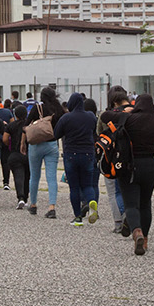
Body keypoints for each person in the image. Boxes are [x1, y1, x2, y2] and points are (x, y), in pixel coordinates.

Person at [117, 94, 154, 255]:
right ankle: (145, 239)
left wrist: (125, 113)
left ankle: (136, 231)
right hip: (151, 165)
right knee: (145, 203)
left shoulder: (130, 119)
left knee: (131, 204)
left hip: (130, 165)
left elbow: (107, 117)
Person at [54, 92, 99, 226]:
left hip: (71, 155)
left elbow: (56, 134)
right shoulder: (91, 117)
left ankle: (78, 217)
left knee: (74, 187)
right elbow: (93, 131)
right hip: (88, 154)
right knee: (88, 184)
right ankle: (92, 202)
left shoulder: (66, 118)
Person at [25, 87, 64, 217]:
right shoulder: (58, 109)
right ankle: (52, 206)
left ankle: (33, 204)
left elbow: (25, 125)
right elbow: (62, 128)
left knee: (34, 176)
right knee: (51, 177)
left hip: (36, 145)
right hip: (52, 144)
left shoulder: (38, 108)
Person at [100, 86, 132, 232]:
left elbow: (98, 134)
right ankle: (131, 217)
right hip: (130, 156)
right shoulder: (134, 113)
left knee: (113, 191)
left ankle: (119, 222)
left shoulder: (105, 116)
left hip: (110, 157)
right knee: (127, 189)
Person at [5, 105, 31, 210]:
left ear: (15, 115)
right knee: (27, 176)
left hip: (15, 153)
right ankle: (25, 198)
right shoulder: (29, 125)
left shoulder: (11, 125)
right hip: (28, 153)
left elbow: (5, 139)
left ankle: (20, 197)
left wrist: (9, 146)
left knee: (18, 175)